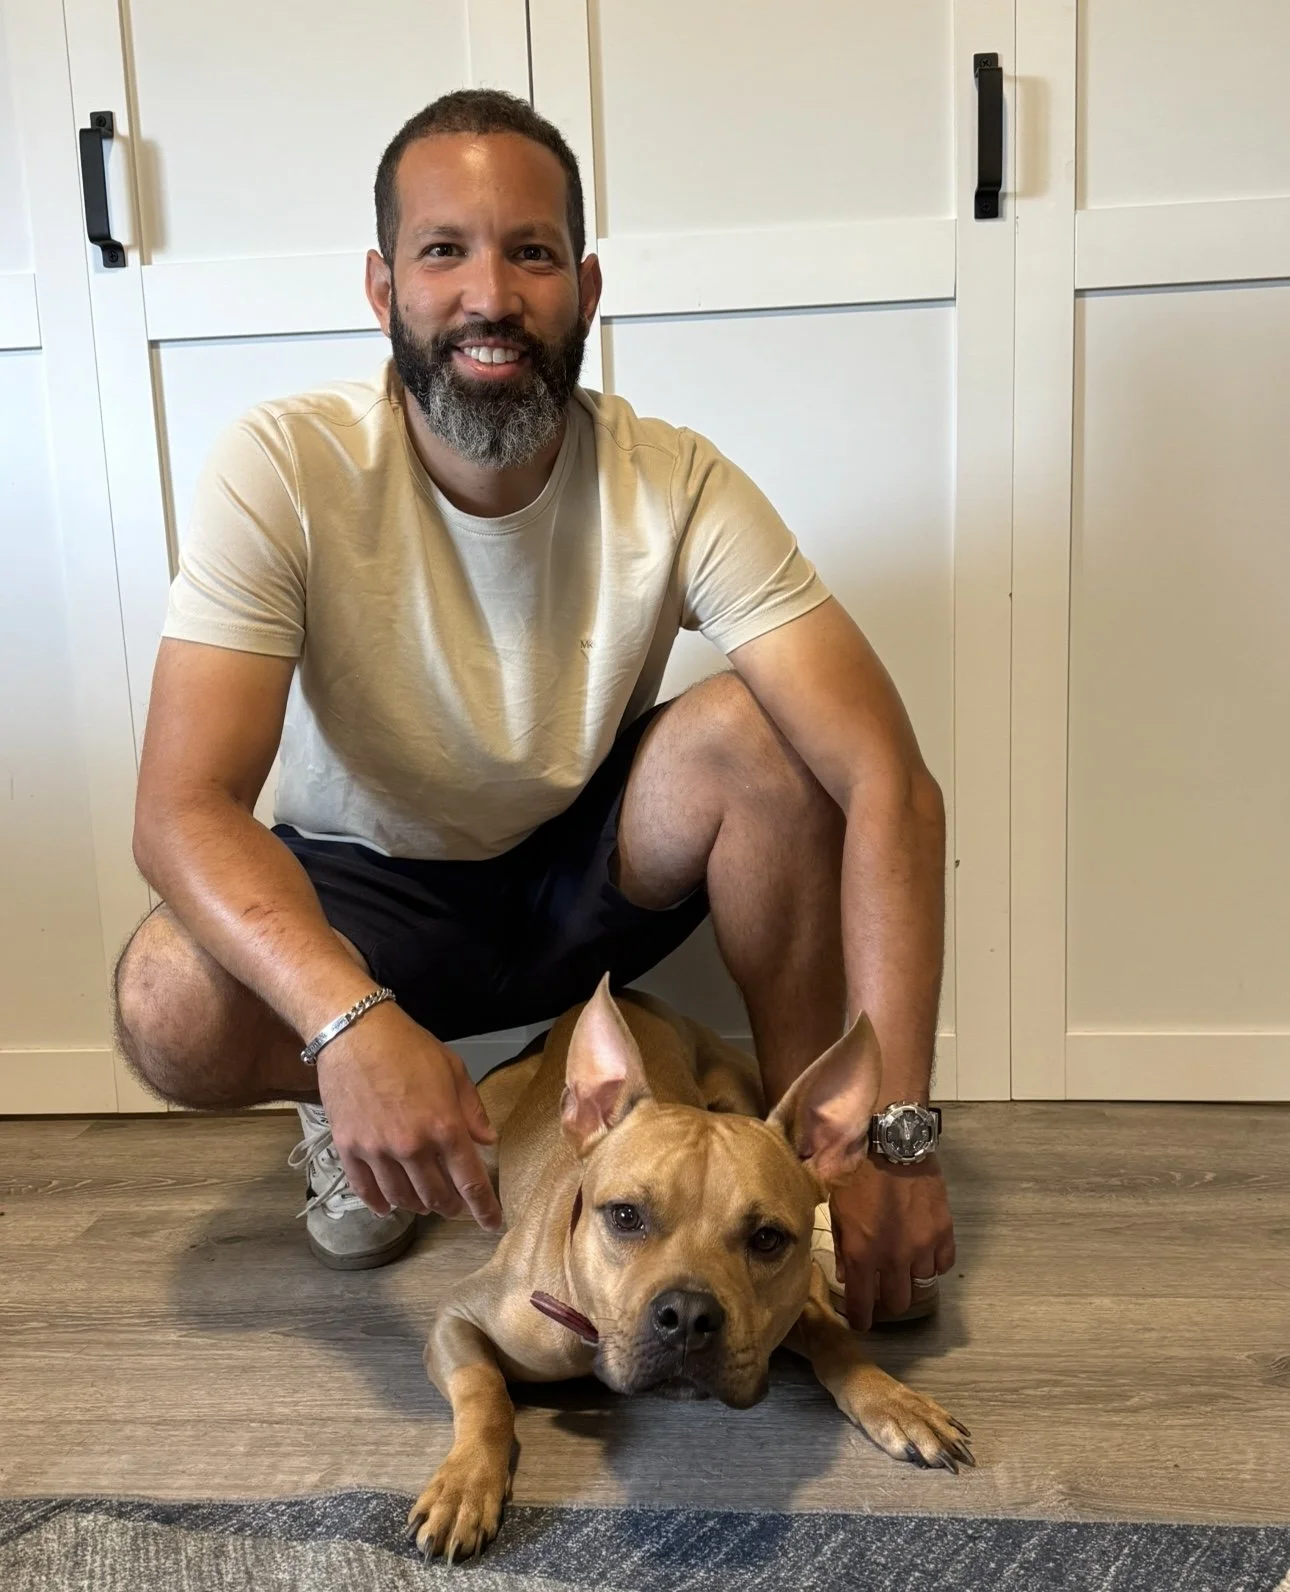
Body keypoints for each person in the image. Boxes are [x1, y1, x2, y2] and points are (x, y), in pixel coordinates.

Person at [113, 89, 954, 1330]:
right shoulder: (283, 465)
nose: (490, 295)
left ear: (587, 288)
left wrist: (891, 1141)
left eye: (532, 252)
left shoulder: (678, 479)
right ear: (382, 285)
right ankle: (363, 1100)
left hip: (576, 879)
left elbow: (888, 776)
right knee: (164, 995)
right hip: (369, 892)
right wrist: (346, 1024)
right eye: (443, 250)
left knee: (771, 743)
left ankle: (792, 1166)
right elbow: (180, 807)